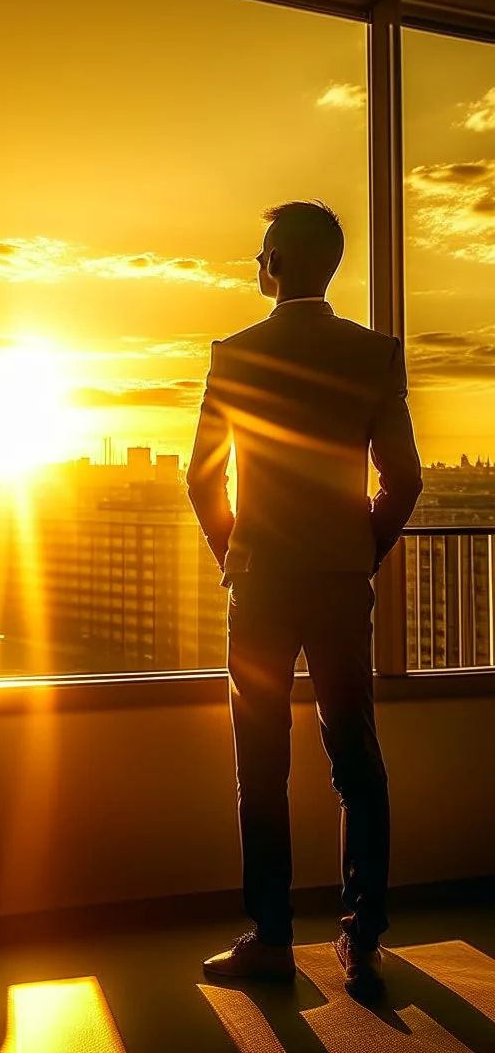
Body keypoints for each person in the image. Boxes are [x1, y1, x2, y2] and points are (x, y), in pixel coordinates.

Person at [186, 200, 422, 999]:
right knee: (357, 761)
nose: (256, 264)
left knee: (261, 766)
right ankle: (363, 944)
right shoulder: (375, 355)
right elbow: (405, 480)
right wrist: (360, 553)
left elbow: (201, 477)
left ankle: (272, 940)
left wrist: (237, 554)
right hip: (339, 583)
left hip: (260, 585)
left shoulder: (236, 355)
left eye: (260, 253)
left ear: (277, 263)